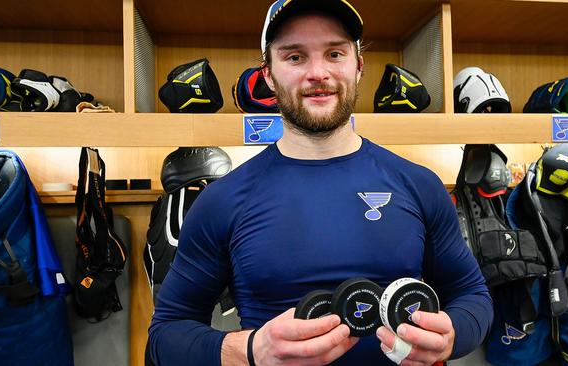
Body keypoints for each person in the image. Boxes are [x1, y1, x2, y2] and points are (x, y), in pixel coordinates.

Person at [148, 0, 493, 365]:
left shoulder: (419, 184)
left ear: (358, 67)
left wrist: (453, 333)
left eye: (334, 53)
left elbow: (472, 295)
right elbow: (165, 336)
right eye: (295, 57)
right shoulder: (223, 200)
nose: (318, 73)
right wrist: (250, 350)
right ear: (268, 74)